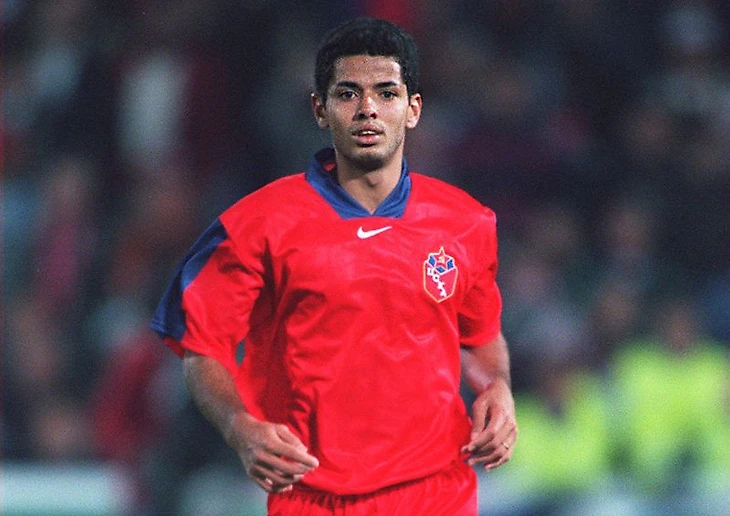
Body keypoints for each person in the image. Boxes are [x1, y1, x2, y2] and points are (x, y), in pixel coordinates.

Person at [152, 17, 517, 515]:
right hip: (312, 496)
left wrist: (497, 386)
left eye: (386, 93)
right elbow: (200, 347)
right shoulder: (258, 225)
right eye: (348, 94)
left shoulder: (466, 222)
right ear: (319, 110)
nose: (368, 109)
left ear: (413, 109)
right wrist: (240, 428)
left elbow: (479, 337)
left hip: (437, 492)